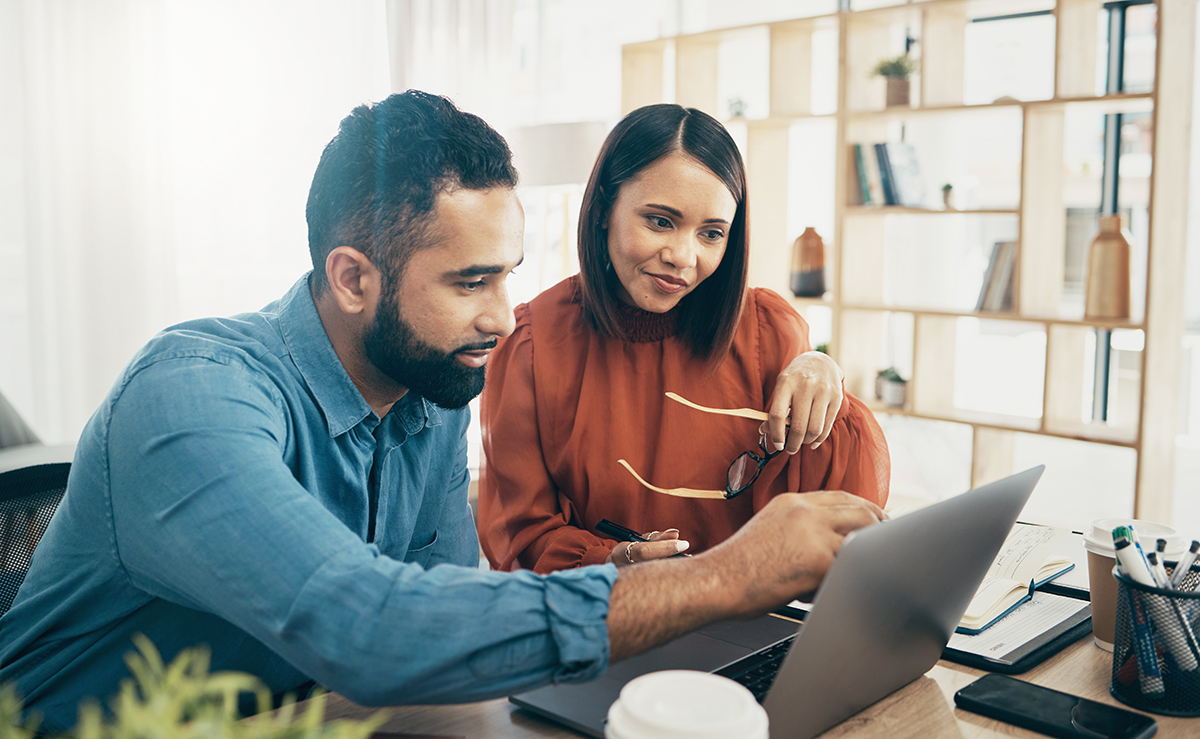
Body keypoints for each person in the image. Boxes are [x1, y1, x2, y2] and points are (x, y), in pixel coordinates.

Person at [0, 91, 883, 733]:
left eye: (507, 275)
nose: (503, 317)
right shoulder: (188, 395)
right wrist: (727, 576)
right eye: (471, 282)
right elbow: (371, 628)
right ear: (353, 278)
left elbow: (449, 622)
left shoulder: (429, 396)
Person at [478, 104, 890, 574]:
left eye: (711, 233)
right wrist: (614, 561)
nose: (683, 257)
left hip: (751, 613)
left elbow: (840, 517)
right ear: (604, 208)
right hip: (605, 612)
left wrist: (826, 376)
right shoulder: (531, 345)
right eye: (660, 221)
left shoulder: (770, 331)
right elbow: (522, 534)